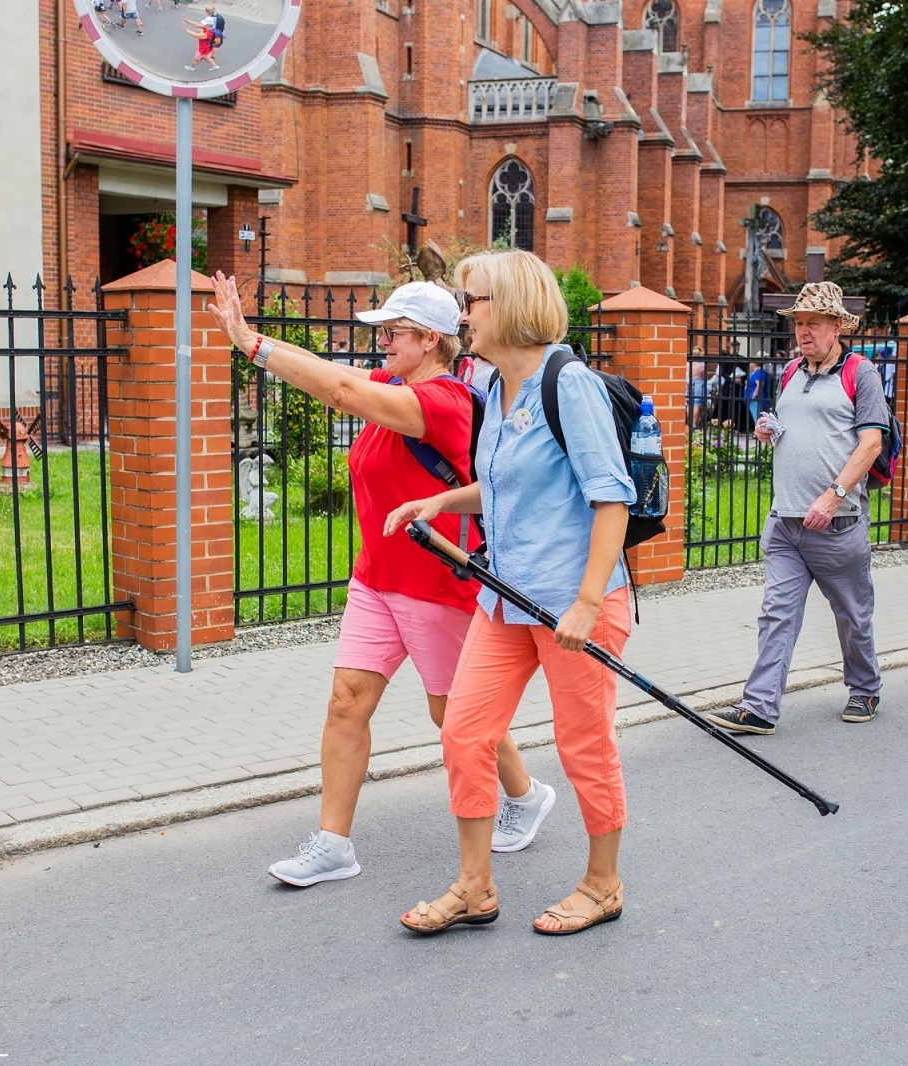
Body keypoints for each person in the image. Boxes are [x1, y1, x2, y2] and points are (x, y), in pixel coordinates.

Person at [204, 276, 547, 886]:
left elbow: (336, 389)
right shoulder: (393, 383)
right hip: (377, 580)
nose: (382, 342)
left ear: (432, 340)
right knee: (347, 702)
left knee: (453, 716)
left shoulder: (443, 403)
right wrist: (255, 339)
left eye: (394, 332)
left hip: (438, 585)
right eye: (382, 331)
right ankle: (333, 843)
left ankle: (523, 795)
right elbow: (327, 368)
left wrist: (249, 344)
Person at [384, 248, 637, 936]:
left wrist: (586, 601)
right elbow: (502, 484)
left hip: (572, 604)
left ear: (514, 306)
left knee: (583, 743)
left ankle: (602, 883)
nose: (462, 316)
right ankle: (474, 885)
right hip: (506, 599)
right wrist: (438, 502)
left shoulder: (569, 382)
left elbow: (611, 497)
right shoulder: (495, 388)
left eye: (472, 302)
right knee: (465, 732)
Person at [703, 282, 889, 735]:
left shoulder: (859, 373)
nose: (803, 332)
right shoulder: (790, 372)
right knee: (776, 613)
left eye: (814, 323)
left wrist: (834, 495)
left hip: (837, 524)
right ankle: (760, 707)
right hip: (785, 521)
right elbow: (801, 428)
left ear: (838, 326)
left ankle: (864, 688)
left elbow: (871, 443)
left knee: (852, 614)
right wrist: (771, 429)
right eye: (799, 323)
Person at [745, 360, 770, 425]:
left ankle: (757, 430)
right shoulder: (757, 372)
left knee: (756, 416)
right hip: (754, 397)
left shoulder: (758, 372)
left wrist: (753, 396)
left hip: (756, 398)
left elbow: (759, 385)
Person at [688, 354, 707, 430]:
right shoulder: (702, 365)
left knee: (689, 402)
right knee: (696, 403)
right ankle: (693, 424)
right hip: (699, 383)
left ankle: (688, 422)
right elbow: (704, 375)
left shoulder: (689, 363)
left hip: (690, 382)